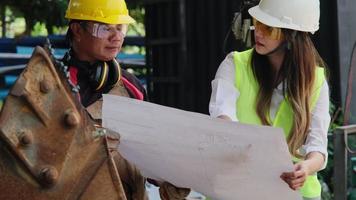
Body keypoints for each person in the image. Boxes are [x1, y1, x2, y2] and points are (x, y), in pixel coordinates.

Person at [64, 0, 190, 199]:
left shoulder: (131, 86)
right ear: (77, 30)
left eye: (120, 28)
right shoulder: (57, 86)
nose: (116, 37)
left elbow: (149, 146)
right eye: (105, 28)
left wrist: (166, 177)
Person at [209, 0, 330, 199]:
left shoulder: (316, 81)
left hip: (296, 193)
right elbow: (222, 118)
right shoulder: (234, 64)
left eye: (269, 28)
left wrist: (306, 168)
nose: (258, 32)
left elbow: (318, 147)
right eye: (258, 22)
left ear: (292, 35)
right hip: (239, 188)